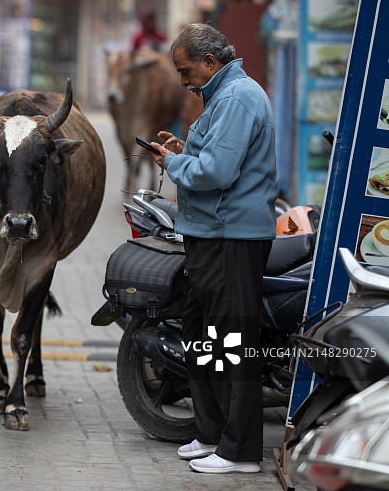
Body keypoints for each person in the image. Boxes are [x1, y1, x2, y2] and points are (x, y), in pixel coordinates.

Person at [144, 23, 278, 474]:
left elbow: (217, 173)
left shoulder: (237, 97)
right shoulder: (222, 96)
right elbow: (217, 158)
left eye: (186, 71)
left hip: (232, 237)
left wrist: (174, 162)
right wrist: (186, 150)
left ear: (210, 62)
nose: (183, 81)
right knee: (204, 334)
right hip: (211, 234)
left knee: (233, 341)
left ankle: (240, 453)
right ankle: (212, 434)